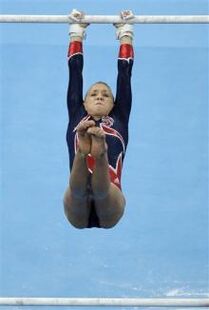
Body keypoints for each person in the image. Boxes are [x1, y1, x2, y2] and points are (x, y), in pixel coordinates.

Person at [63, 9, 134, 229]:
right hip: (78, 205)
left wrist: (126, 33)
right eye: (94, 94)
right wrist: (77, 32)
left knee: (100, 191)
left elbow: (125, 75)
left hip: (110, 202)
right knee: (78, 190)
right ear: (83, 102)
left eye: (105, 95)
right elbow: (74, 73)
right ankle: (88, 151)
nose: (100, 97)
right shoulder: (77, 112)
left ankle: (96, 151)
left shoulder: (120, 115)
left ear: (115, 104)